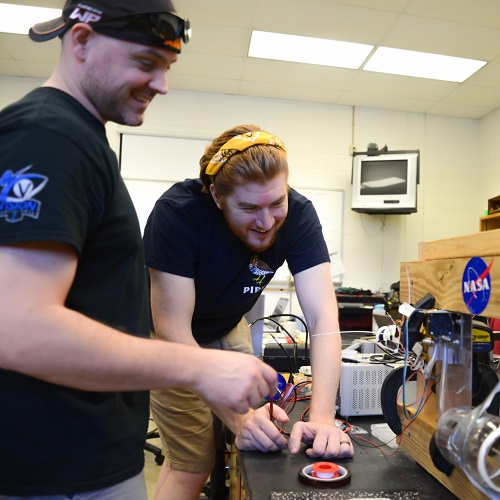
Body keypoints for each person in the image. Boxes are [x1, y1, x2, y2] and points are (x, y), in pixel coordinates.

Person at [0, 3, 277, 498]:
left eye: (166, 67)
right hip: (54, 469)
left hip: (90, 453)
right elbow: (16, 325)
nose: (161, 84)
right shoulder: (49, 137)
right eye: (146, 63)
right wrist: (200, 367)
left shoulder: (82, 140)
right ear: (80, 41)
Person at [144, 124, 354, 500]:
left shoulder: (299, 214)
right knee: (192, 463)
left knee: (253, 444)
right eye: (249, 208)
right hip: (172, 339)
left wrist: (322, 418)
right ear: (217, 196)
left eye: (277, 203)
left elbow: (323, 320)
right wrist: (239, 418)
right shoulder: (178, 214)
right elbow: (173, 330)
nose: (266, 221)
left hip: (228, 325)